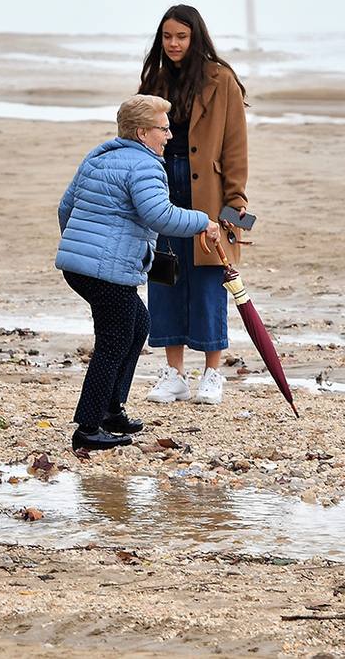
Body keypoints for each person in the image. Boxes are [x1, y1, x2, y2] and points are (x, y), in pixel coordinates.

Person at [56, 95, 221, 451]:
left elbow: (65, 207)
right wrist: (204, 221)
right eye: (164, 129)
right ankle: (87, 427)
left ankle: (111, 410)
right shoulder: (145, 166)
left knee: (137, 325)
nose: (169, 135)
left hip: (81, 267)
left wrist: (79, 250)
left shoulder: (99, 155)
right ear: (143, 132)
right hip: (105, 270)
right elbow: (159, 215)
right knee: (114, 340)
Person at [137, 5, 249, 407]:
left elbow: (235, 145)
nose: (173, 44)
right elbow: (138, 136)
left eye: (181, 37)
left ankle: (213, 374)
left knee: (207, 280)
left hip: (209, 190)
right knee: (165, 275)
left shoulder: (222, 80)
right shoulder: (154, 78)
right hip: (160, 184)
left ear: (195, 37)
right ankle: (174, 374)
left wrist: (235, 203)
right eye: (167, 37)